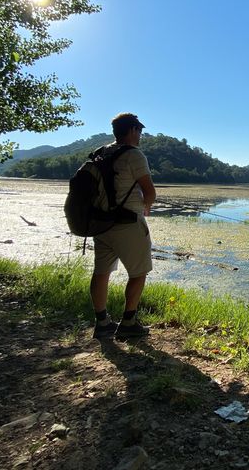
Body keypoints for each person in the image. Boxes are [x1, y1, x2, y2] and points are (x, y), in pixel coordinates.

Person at [90, 112, 156, 339]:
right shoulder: (134, 155)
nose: (140, 135)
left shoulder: (100, 153)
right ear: (132, 130)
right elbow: (149, 192)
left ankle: (102, 323)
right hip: (128, 223)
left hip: (101, 223)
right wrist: (146, 206)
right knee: (139, 272)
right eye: (139, 131)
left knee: (101, 272)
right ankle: (128, 322)